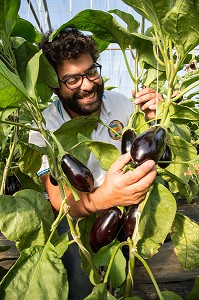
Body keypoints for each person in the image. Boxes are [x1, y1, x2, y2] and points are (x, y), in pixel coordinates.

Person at [29, 26, 161, 299]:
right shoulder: (43, 127)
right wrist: (103, 198)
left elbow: (142, 149)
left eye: (91, 72)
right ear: (54, 85)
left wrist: (153, 121)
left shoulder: (122, 104)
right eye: (72, 80)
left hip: (123, 211)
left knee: (124, 272)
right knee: (81, 287)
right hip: (76, 216)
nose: (87, 85)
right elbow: (59, 199)